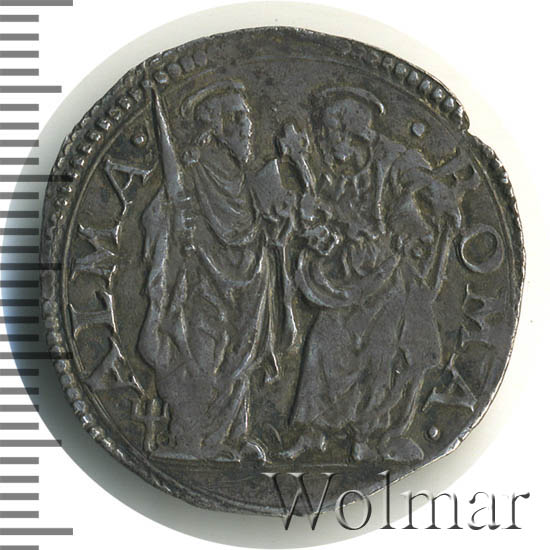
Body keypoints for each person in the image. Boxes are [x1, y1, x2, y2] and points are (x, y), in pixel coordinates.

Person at [284, 86, 462, 462]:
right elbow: (328, 214)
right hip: (349, 279)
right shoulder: (334, 172)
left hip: (391, 278)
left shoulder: (393, 160)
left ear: (352, 133)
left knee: (382, 355)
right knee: (322, 341)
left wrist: (437, 199)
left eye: (329, 135)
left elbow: (422, 183)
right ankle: (313, 433)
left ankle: (372, 438)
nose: (324, 144)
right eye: (322, 136)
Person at [138, 81, 295, 460]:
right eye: (238, 118)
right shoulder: (193, 175)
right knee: (204, 356)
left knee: (238, 361)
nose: (248, 127)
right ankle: (191, 440)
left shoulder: (244, 180)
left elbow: (263, 229)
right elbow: (158, 216)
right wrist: (174, 221)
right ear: (217, 127)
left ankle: (232, 437)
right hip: (203, 285)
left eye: (247, 118)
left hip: (248, 288)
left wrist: (278, 227)